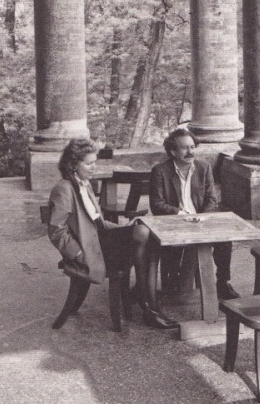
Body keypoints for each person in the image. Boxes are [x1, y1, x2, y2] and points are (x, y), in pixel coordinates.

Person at [47, 137, 178, 329]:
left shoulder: (84, 184)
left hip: (102, 240)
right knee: (143, 234)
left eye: (95, 163)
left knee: (146, 231)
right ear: (73, 164)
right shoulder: (64, 189)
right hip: (91, 248)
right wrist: (78, 254)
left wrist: (124, 228)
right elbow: (56, 230)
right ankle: (148, 304)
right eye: (89, 163)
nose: (94, 168)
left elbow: (98, 223)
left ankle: (148, 303)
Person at [150, 128, 240, 300]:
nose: (190, 152)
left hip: (201, 220)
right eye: (184, 148)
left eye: (192, 147)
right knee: (176, 248)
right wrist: (181, 214)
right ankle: (173, 281)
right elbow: (157, 204)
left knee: (224, 239)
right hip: (175, 223)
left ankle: (222, 282)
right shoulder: (160, 171)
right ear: (172, 151)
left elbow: (212, 199)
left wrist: (203, 217)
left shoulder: (203, 167)